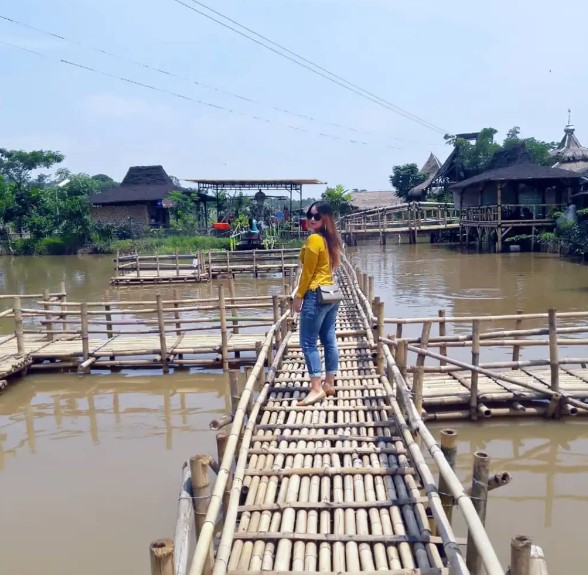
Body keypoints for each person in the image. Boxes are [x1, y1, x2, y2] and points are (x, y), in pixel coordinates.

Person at [293, 201, 343, 406]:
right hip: (331, 295)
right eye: (309, 215)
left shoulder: (314, 239)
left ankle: (316, 388)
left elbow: (308, 273)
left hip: (315, 294)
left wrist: (299, 296)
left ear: (325, 219)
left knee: (307, 342)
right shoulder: (330, 239)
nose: (311, 219)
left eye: (316, 216)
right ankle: (328, 383)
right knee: (328, 339)